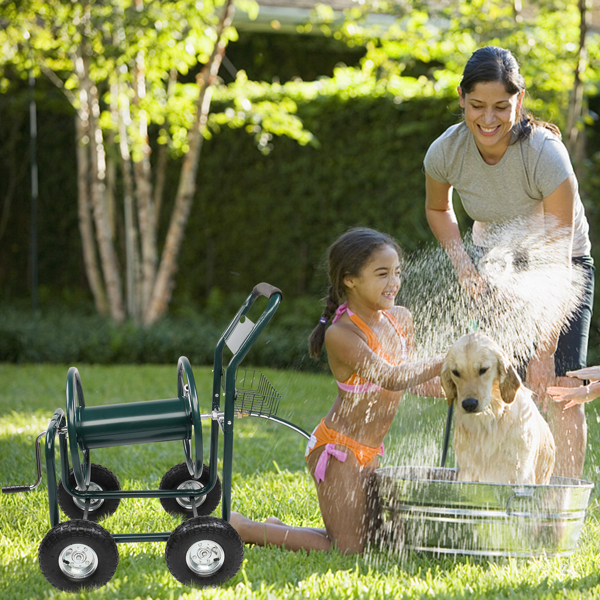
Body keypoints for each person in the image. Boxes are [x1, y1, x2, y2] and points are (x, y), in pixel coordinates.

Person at [423, 46, 594, 479]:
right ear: (461, 97)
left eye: (502, 106)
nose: (488, 119)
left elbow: (557, 261)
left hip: (561, 263)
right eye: (477, 106)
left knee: (558, 386)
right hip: (494, 263)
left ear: (519, 100)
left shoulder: (545, 155)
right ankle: (484, 483)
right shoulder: (446, 151)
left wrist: (546, 347)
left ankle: (559, 500)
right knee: (484, 377)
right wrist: (463, 263)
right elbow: (438, 209)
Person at [230, 227, 443, 554]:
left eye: (398, 272)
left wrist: (459, 387)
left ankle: (279, 530)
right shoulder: (341, 334)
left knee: (375, 542)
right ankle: (245, 527)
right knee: (348, 550)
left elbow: (416, 380)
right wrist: (447, 358)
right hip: (338, 451)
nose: (394, 282)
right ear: (350, 280)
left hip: (370, 453)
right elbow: (390, 377)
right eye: (382, 274)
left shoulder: (400, 319)